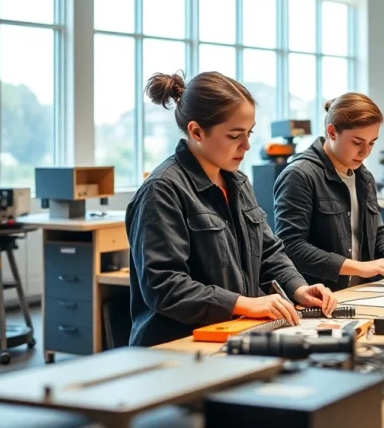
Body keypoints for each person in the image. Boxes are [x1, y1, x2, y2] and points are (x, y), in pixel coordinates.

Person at [126, 71, 336, 347]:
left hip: (234, 338)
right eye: (235, 135)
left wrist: (298, 287)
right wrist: (245, 304)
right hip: (177, 348)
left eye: (248, 133)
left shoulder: (237, 181)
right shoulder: (162, 190)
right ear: (196, 131)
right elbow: (165, 287)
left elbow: (269, 253)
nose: (247, 145)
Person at [273, 93, 384, 291]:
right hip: (320, 297)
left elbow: (377, 233)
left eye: (372, 142)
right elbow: (291, 247)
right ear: (332, 132)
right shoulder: (300, 175)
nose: (365, 152)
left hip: (360, 293)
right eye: (357, 142)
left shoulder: (364, 177)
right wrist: (359, 268)